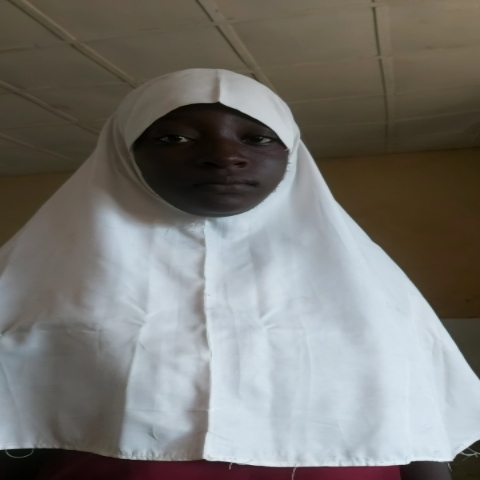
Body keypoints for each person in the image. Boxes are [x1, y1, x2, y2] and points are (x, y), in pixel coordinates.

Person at [0, 68, 478, 479]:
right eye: (174, 137)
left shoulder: (373, 287)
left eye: (257, 138)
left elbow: (426, 421)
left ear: (291, 153)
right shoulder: (27, 282)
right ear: (123, 153)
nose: (224, 155)